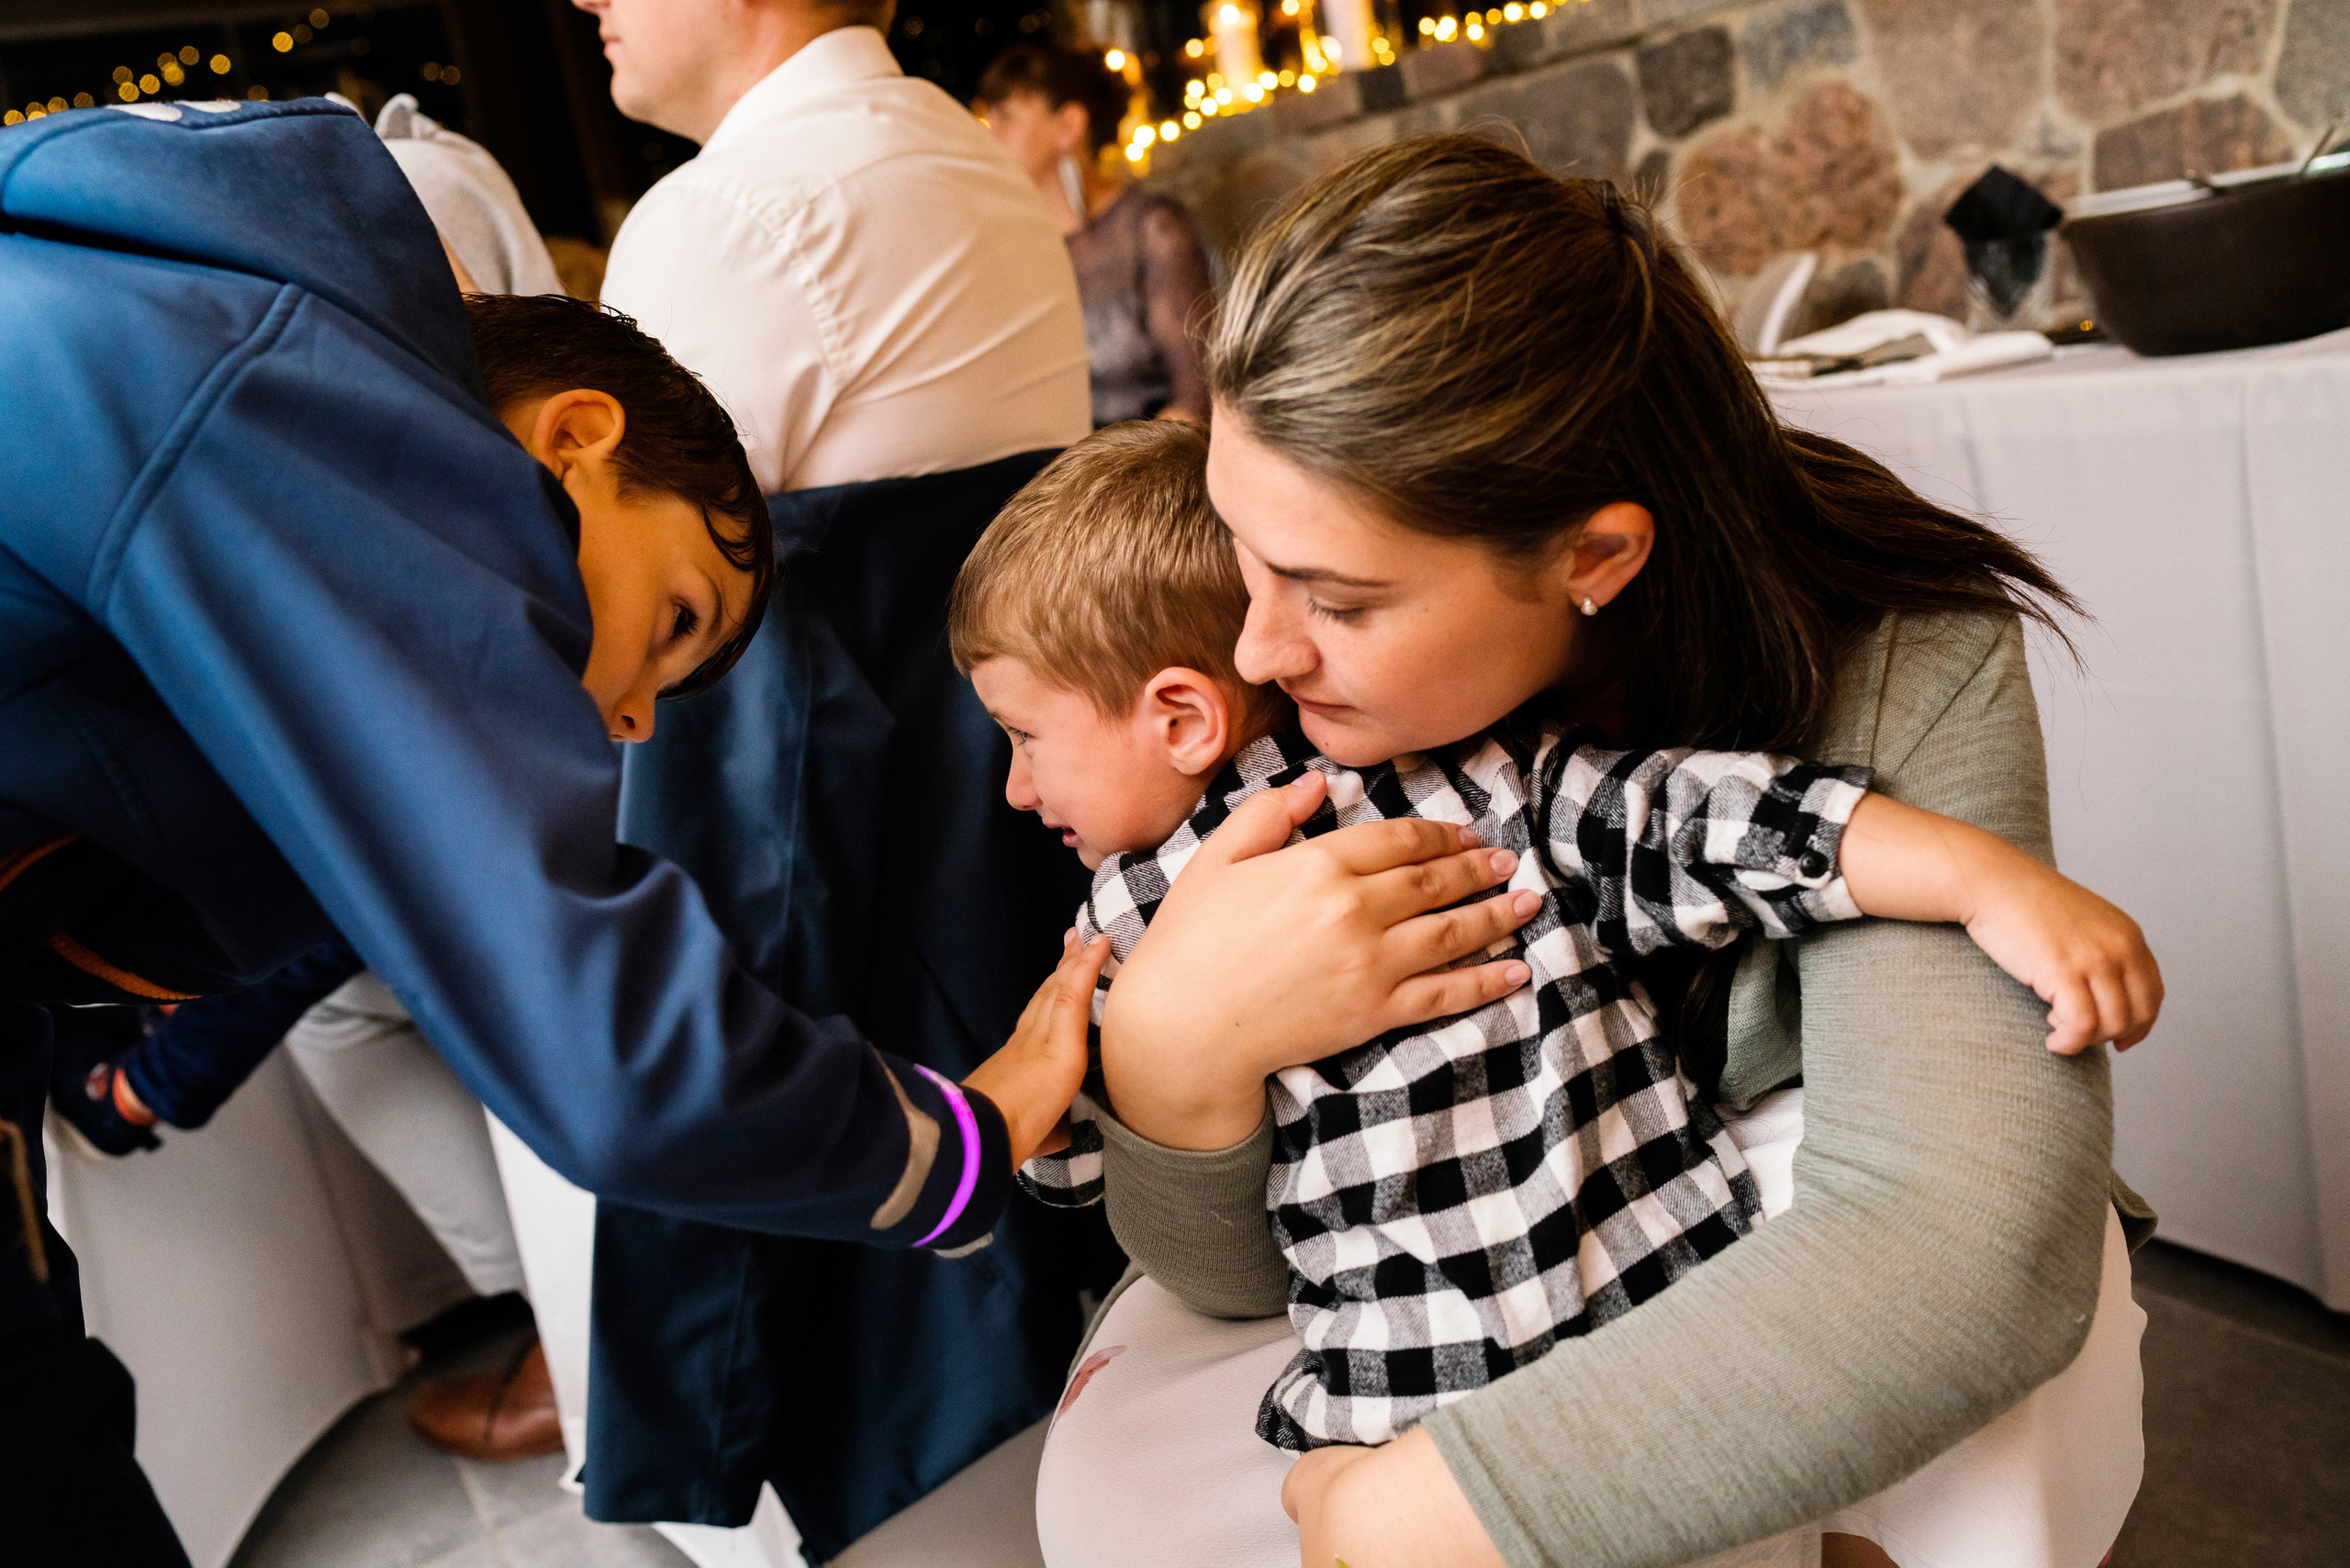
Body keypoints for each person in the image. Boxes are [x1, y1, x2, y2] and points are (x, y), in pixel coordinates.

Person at [1, 98, 1167, 1564]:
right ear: (577, 439)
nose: (631, 722)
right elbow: (615, 1059)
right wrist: (967, 1140)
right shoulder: (264, 398)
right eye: (671, 620)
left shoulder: (160, 309)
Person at [1030, 135, 2157, 1568]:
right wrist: (1177, 1067)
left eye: (1338, 598)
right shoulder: (1260, 704)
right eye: (1242, 549)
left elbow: (1961, 1246)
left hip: (1729, 1231)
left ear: (1597, 559)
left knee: (1965, 1454)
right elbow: (1236, 1284)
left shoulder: (1898, 659)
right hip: (1407, 1296)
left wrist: (1428, 1510)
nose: (1254, 645)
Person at [953, 420, 2157, 1456]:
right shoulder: (1474, 780)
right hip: (1667, 1294)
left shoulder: (1130, 921)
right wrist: (1972, 872)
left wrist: (1035, 1101)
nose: (1013, 790)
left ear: (1178, 717)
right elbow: (1709, 824)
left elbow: (1061, 1172)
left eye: (1024, 737)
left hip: (1418, 1387)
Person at [975, 44, 1216, 426]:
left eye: (1006, 118)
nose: (990, 135)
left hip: (1150, 463)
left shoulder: (1153, 227)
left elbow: (1197, 397)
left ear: (1069, 125)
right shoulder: (1010, 248)